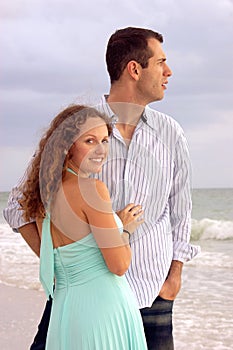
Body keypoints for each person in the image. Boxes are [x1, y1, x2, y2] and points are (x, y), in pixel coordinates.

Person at [3, 27, 200, 350]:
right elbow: (18, 204)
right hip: (84, 298)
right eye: (161, 62)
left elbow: (180, 211)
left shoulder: (171, 134)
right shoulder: (79, 127)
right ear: (134, 69)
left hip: (153, 295)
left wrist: (173, 279)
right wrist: (63, 264)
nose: (169, 71)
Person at [18, 104, 148, 349]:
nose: (101, 150)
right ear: (67, 147)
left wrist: (111, 221)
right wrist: (126, 229)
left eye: (105, 140)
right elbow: (119, 265)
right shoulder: (92, 189)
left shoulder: (42, 197)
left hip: (65, 312)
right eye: (90, 141)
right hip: (103, 310)